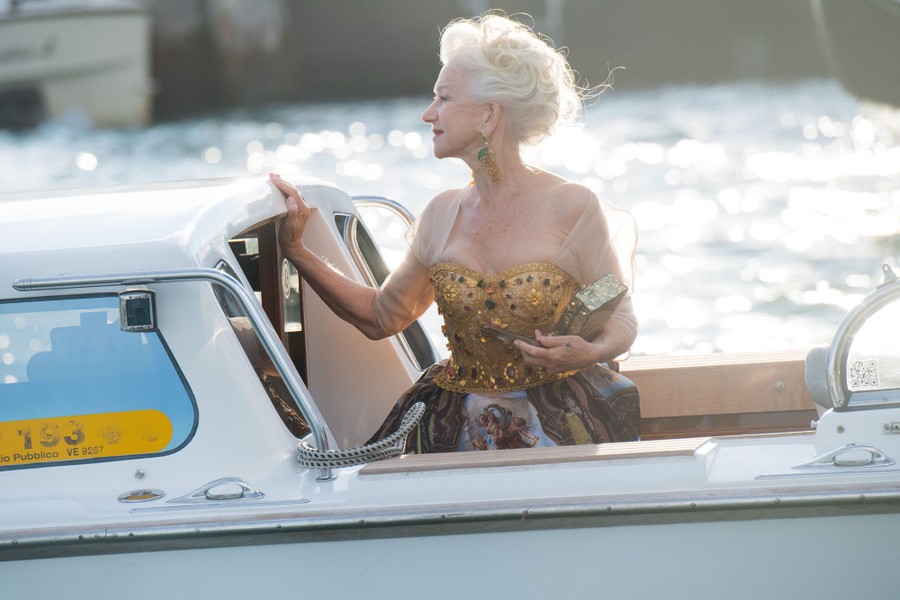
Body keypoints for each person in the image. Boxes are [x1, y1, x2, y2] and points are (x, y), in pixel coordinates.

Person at [270, 12, 640, 453]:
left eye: (443, 98)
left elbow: (620, 318)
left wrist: (587, 352)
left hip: (563, 426)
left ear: (489, 115)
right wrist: (297, 250)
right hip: (456, 427)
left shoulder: (573, 206)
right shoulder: (440, 213)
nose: (428, 114)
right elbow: (381, 317)